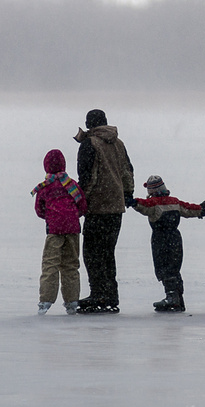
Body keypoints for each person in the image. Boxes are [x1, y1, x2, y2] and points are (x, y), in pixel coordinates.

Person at [73, 109, 135, 314]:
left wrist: (81, 202)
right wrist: (127, 194)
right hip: (116, 208)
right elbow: (127, 171)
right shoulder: (119, 143)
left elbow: (87, 178)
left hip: (97, 207)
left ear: (89, 123)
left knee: (92, 254)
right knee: (108, 253)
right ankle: (110, 295)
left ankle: (98, 295)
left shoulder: (89, 144)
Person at [127, 175, 205, 312]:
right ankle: (178, 298)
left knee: (164, 267)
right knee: (174, 267)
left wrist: (133, 202)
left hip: (160, 238)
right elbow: (188, 208)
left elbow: (143, 205)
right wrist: (200, 209)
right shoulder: (174, 202)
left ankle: (171, 297)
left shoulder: (153, 203)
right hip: (175, 237)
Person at [31, 149, 87, 315]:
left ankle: (45, 300)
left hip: (54, 230)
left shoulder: (45, 187)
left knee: (50, 265)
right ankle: (72, 301)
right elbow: (82, 205)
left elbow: (39, 210)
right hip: (72, 229)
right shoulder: (71, 185)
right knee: (70, 265)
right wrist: (71, 217)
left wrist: (52, 217)